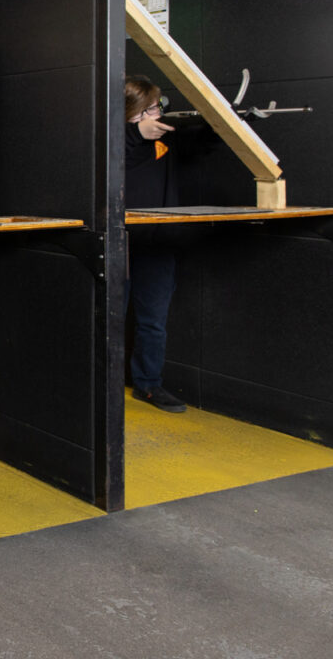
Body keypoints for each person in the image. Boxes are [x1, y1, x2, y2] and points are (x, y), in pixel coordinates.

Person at [124, 73, 199, 413]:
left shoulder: (164, 141)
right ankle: (103, 383)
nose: (154, 115)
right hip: (119, 242)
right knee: (107, 318)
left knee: (153, 319)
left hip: (157, 242)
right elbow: (113, 159)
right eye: (145, 109)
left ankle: (149, 384)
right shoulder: (113, 142)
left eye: (155, 108)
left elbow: (205, 140)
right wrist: (136, 134)